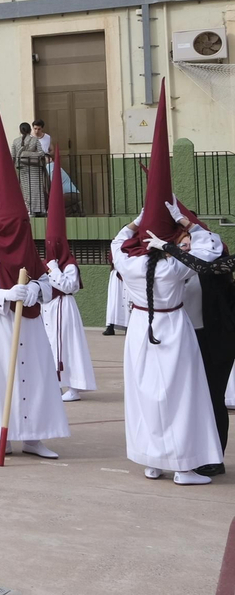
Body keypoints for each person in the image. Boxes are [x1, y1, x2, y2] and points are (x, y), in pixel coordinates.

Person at [114, 84, 223, 484]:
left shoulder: (126, 258)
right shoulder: (173, 265)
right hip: (172, 327)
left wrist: (138, 221)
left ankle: (152, 459)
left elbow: (117, 239)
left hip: (140, 328)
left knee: (147, 396)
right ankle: (183, 466)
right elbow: (210, 250)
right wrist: (185, 222)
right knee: (181, 396)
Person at [0, 88, 69, 461]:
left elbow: (44, 280)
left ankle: (35, 435)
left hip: (28, 324)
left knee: (37, 377)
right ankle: (1, 434)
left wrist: (35, 293)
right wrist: (6, 295)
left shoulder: (28, 248)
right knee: (1, 378)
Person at [157, 217, 235, 476]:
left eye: (191, 243)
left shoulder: (217, 261)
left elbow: (203, 265)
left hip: (216, 340)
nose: (188, 247)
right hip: (184, 340)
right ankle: (183, 453)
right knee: (183, 399)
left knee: (213, 398)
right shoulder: (174, 268)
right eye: (183, 244)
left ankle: (214, 457)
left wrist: (174, 247)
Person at [40, 145, 94, 403]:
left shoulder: (69, 264)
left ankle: (74, 385)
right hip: (49, 307)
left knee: (68, 346)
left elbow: (70, 286)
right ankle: (57, 382)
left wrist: (52, 268)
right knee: (51, 345)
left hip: (64, 306)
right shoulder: (48, 262)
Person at [12, 122, 46, 217]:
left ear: (20, 131)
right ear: (30, 130)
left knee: (26, 189)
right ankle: (40, 209)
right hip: (35, 168)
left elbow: (13, 157)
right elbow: (41, 153)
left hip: (23, 169)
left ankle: (30, 210)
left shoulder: (15, 141)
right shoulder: (34, 140)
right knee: (37, 189)